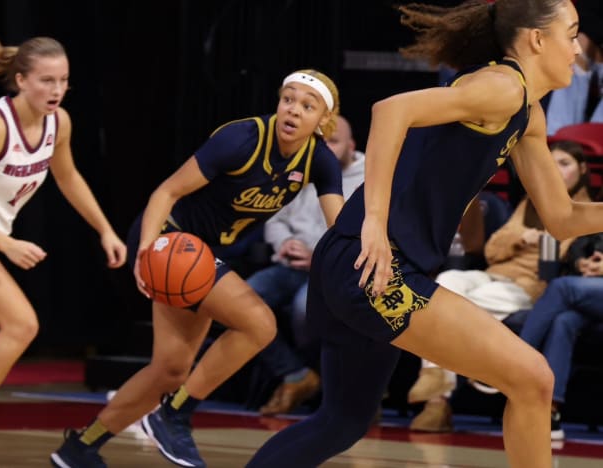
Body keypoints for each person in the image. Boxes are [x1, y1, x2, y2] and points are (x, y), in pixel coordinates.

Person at [245, 1, 603, 467]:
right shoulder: (503, 86)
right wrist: (374, 222)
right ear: (537, 39)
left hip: (356, 265)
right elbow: (391, 110)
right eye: (571, 33)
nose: (578, 47)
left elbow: (560, 216)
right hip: (372, 263)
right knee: (533, 377)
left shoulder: (525, 112)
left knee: (343, 421)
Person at [51, 69, 345, 468]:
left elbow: (340, 230)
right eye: (288, 99)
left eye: (307, 106)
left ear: (323, 121)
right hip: (171, 238)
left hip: (204, 253)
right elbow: (166, 192)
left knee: (171, 370)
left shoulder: (320, 160)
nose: (293, 110)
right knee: (259, 324)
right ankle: (173, 415)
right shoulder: (241, 139)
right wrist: (146, 250)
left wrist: (364, 265)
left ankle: (79, 448)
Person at [0, 37, 127, 468]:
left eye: (63, 80)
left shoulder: (58, 122)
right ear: (21, 80)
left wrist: (105, 230)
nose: (56, 89)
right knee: (21, 324)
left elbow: (68, 178)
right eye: (46, 80)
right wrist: (5, 243)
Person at [407, 139, 593, 432]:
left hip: (529, 288)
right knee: (444, 285)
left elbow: (567, 258)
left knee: (463, 306)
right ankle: (436, 375)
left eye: (565, 164)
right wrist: (522, 239)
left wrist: (543, 242)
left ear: (582, 170)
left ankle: (438, 397)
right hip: (495, 273)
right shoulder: (530, 201)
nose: (556, 170)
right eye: (551, 163)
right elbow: (493, 250)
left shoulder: (584, 209)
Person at [253, 115, 365, 416]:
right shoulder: (298, 166)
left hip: (334, 270)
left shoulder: (370, 177)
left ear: (351, 146)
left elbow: (362, 235)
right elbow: (275, 219)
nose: (324, 149)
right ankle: (295, 375)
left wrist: (317, 254)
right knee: (242, 301)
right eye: (319, 141)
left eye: (333, 142)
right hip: (289, 264)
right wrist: (284, 243)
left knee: (307, 310)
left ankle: (334, 387)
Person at [519, 230, 603, 441]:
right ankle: (550, 414)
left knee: (561, 287)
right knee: (563, 321)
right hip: (592, 291)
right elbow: (580, 243)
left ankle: (514, 361)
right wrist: (581, 263)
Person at [545, 0, 603, 134]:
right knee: (574, 48)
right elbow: (585, 15)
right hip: (594, 46)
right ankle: (560, 136)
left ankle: (596, 140)